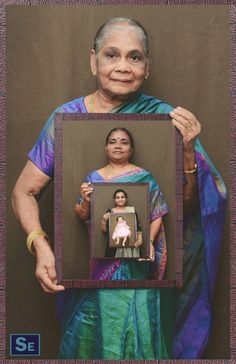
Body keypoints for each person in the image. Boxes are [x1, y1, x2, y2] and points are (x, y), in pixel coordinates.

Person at [11, 17, 227, 359]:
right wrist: (41, 248)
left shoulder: (166, 120)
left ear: (147, 66)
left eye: (134, 57)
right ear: (93, 60)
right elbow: (24, 191)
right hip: (86, 279)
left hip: (144, 283)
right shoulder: (65, 120)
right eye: (112, 55)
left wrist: (187, 152)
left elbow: (185, 206)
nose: (123, 67)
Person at [76, 136, 168, 265]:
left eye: (124, 142)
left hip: (136, 254)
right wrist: (86, 201)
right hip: (104, 256)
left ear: (131, 150)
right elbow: (82, 215)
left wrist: (149, 242)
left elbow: (157, 213)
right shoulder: (94, 177)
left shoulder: (144, 176)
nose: (118, 146)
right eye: (112, 142)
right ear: (106, 148)